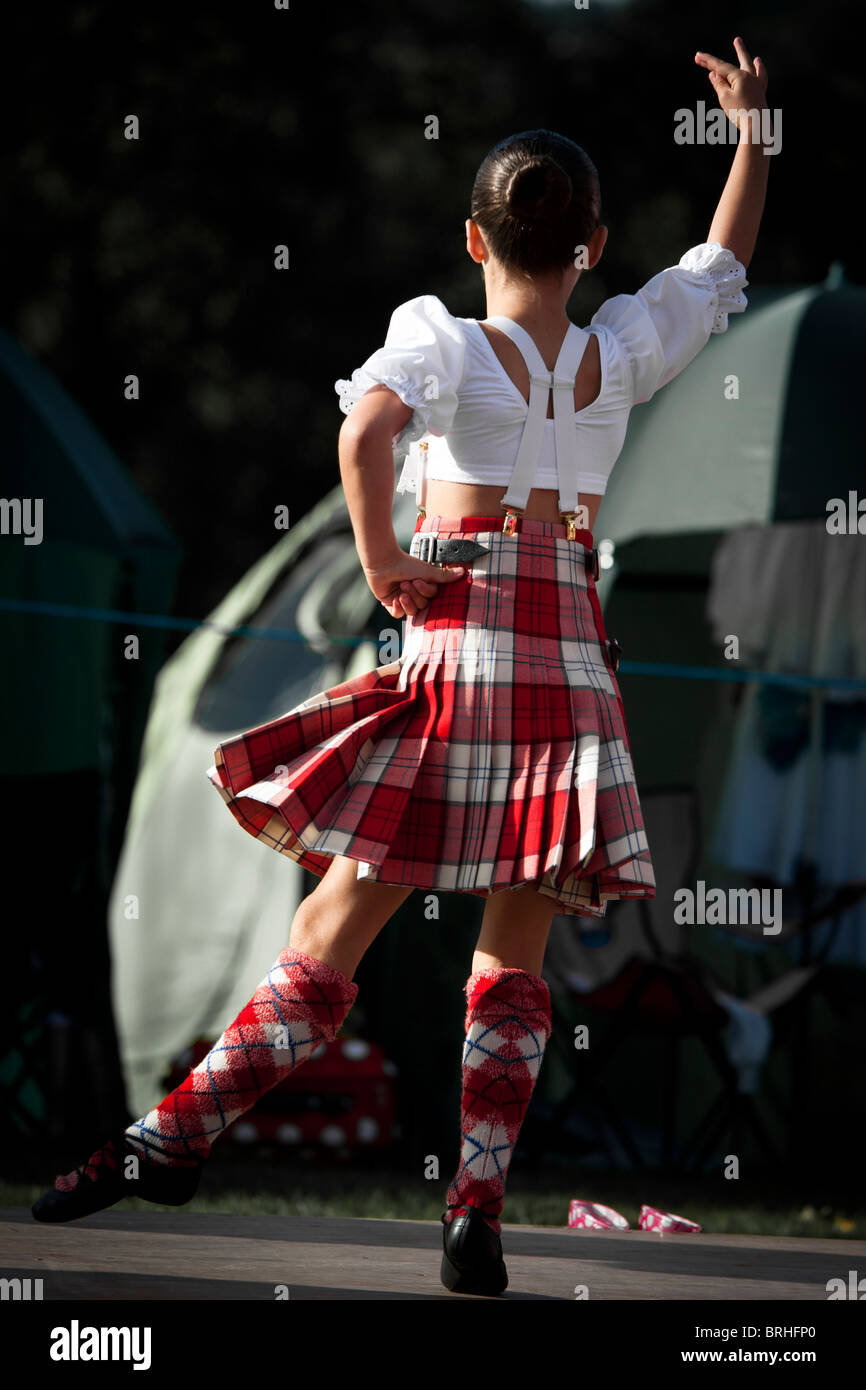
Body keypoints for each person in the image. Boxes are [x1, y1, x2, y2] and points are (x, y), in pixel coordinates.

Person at [32, 39, 769, 1298]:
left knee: (335, 925)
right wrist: (752, 136)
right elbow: (719, 267)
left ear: (473, 242)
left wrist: (379, 560)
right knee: (515, 955)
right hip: (566, 669)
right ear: (589, 244)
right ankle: (473, 1203)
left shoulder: (441, 344)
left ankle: (176, 1136)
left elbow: (362, 427)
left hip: (460, 651)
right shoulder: (618, 353)